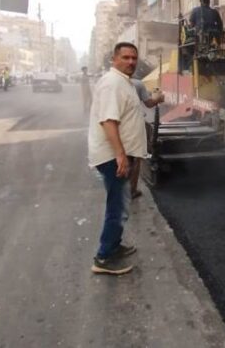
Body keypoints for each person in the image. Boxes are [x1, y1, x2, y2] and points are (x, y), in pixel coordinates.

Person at [87, 42, 148, 275]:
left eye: (134, 58)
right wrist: (120, 155)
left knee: (119, 203)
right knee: (118, 206)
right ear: (114, 59)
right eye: (125, 57)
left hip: (119, 155)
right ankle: (104, 258)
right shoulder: (112, 84)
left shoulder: (124, 83)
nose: (131, 62)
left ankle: (114, 246)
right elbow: (108, 121)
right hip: (113, 157)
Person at [128, 77, 164, 199]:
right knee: (135, 157)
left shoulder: (109, 83)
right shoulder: (137, 84)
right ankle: (132, 190)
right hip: (133, 124)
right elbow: (149, 104)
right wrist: (158, 98)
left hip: (117, 124)